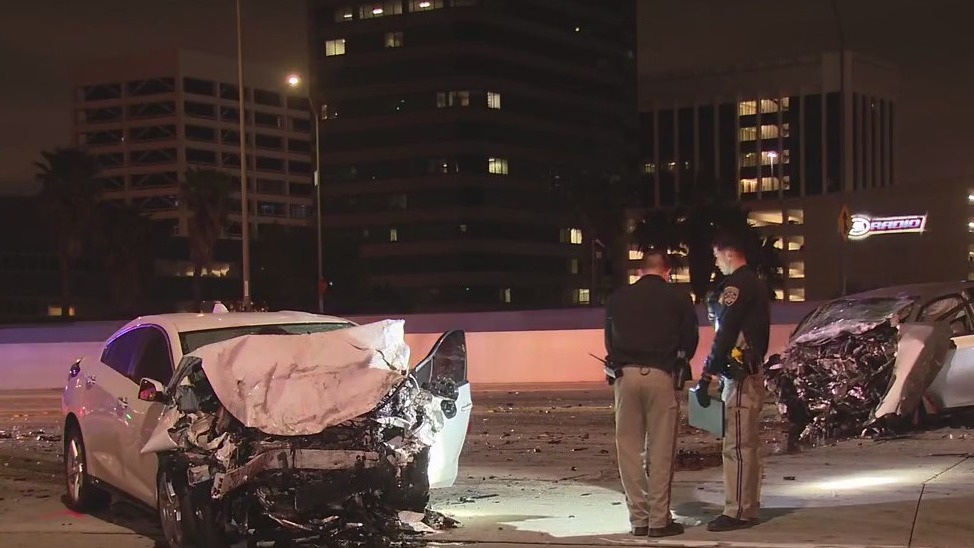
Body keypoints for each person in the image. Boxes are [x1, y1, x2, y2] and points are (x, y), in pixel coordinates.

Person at [603, 248, 699, 538]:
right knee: (660, 449)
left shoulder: (617, 298)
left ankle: (638, 519)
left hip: (625, 377)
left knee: (629, 450)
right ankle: (659, 520)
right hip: (660, 374)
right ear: (667, 270)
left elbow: (609, 340)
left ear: (640, 271)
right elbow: (690, 339)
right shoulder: (679, 298)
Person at [693, 230, 771, 532]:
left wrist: (707, 374)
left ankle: (737, 511)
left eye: (716, 256)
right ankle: (747, 507)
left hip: (738, 375)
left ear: (727, 253)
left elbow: (726, 332)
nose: (716, 262)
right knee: (748, 445)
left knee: (736, 446)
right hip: (749, 371)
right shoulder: (756, 282)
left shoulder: (737, 285)